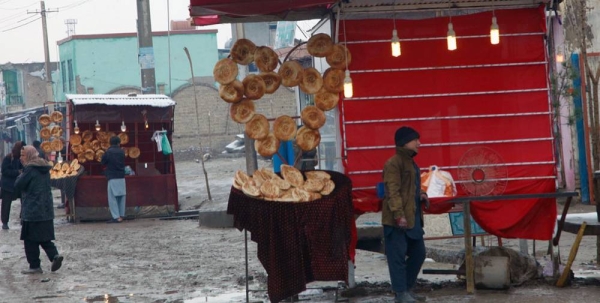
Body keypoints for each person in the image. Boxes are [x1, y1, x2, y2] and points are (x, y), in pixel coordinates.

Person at [382, 126, 430, 303]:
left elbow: (411, 188)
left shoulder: (411, 163)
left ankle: (406, 289)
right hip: (398, 220)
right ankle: (400, 293)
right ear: (404, 142)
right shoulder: (394, 163)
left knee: (419, 253)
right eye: (415, 140)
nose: (419, 143)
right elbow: (392, 191)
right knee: (397, 257)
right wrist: (398, 214)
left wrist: (421, 194)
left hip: (413, 218)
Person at [14, 145, 63, 274]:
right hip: (45, 209)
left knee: (30, 239)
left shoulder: (30, 169)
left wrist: (20, 175)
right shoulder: (43, 168)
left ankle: (35, 266)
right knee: (43, 237)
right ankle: (54, 256)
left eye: (23, 155)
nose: (21, 158)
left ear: (29, 155)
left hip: (32, 209)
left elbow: (18, 185)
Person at [101, 136, 126, 223]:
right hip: (121, 176)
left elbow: (103, 162)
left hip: (112, 176)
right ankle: (122, 215)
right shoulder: (122, 152)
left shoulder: (108, 152)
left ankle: (116, 217)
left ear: (110, 143)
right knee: (122, 196)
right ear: (118, 143)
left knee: (112, 198)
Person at [1, 141, 25, 230]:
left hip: (19, 184)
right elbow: (4, 171)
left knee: (25, 200)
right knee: (6, 205)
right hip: (8, 185)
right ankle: (5, 222)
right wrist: (17, 172)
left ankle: (23, 218)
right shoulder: (8, 158)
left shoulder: (22, 159)